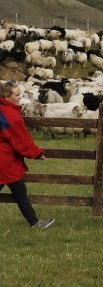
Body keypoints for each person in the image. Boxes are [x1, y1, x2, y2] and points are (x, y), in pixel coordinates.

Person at [0, 80, 55, 229]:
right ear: (6, 96)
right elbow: (22, 141)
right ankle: (35, 223)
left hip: (4, 160)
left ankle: (35, 222)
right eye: (17, 95)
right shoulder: (12, 116)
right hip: (5, 162)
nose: (20, 97)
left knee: (20, 192)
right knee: (20, 192)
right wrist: (37, 153)